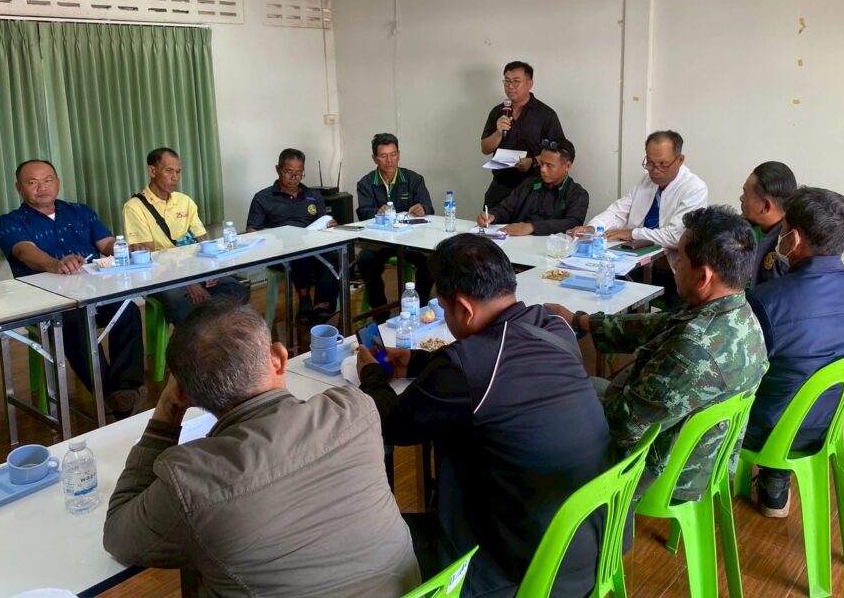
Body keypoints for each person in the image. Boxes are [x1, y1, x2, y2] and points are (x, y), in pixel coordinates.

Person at [104, 300, 420, 598]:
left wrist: (167, 411)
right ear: (279, 358)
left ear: (187, 395)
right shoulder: (355, 408)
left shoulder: (190, 480)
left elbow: (118, 536)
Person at [357, 234, 611, 597]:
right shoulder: (553, 327)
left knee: (367, 544)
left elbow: (392, 423)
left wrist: (370, 373)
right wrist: (416, 361)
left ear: (464, 308)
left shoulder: (465, 366)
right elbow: (502, 365)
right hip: (588, 544)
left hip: (515, 570)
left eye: (444, 309)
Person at [548, 206, 768, 505]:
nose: (674, 265)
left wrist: (558, 376)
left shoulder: (693, 352)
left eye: (680, 260)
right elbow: (657, 324)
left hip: (663, 470)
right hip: (694, 452)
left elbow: (623, 427)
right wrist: (579, 320)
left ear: (704, 276)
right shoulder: (737, 312)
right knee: (582, 389)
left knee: (545, 412)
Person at [744, 187, 844, 517]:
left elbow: (737, 375)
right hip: (826, 425)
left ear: (792, 239)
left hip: (765, 432)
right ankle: (775, 482)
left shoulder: (766, 302)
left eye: (783, 228)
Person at [0, 160, 146, 419]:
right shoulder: (10, 221)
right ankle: (107, 394)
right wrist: (54, 264)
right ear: (19, 188)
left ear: (58, 182)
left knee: (127, 310)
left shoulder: (80, 211)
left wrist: (127, 250)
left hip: (94, 291)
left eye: (48, 180)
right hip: (47, 302)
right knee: (75, 320)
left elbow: (106, 243)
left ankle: (126, 388)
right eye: (32, 182)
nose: (42, 187)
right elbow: (25, 251)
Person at [122, 147, 250, 326]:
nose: (175, 177)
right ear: (152, 171)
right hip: (162, 276)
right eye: (169, 171)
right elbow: (149, 258)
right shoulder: (134, 207)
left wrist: (212, 270)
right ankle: (198, 339)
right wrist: (189, 281)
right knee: (186, 305)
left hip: (195, 268)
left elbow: (202, 241)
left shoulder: (184, 201)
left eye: (178, 171)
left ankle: (213, 334)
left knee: (238, 290)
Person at [572, 130, 708, 261]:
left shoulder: (694, 188)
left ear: (680, 160)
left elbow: (675, 237)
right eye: (650, 163)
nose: (655, 171)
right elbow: (618, 212)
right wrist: (593, 228)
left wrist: (632, 233)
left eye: (663, 164)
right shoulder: (646, 181)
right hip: (634, 256)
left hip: (671, 267)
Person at [247, 148, 338, 324]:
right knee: (296, 246)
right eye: (289, 172)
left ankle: (322, 305)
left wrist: (330, 224)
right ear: (278, 169)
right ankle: (304, 300)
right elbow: (252, 231)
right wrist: (267, 239)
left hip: (313, 247)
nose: (295, 177)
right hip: (279, 252)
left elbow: (323, 221)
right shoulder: (263, 197)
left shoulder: (313, 195)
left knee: (334, 254)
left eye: (299, 172)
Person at [355, 133, 434, 318]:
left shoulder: (413, 179)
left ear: (399, 154)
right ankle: (380, 310)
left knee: (432, 260)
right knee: (365, 262)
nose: (389, 160)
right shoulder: (366, 183)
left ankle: (420, 305)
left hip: (411, 240)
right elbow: (363, 212)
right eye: (383, 156)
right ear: (374, 158)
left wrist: (423, 208)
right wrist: (377, 212)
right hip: (380, 241)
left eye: (393, 154)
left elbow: (429, 207)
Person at [480, 61, 565, 208]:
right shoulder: (498, 111)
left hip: (534, 187)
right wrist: (498, 132)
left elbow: (559, 152)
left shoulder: (545, 114)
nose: (510, 86)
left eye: (516, 81)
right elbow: (485, 148)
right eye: (507, 81)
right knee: (489, 222)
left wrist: (532, 162)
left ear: (530, 83)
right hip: (501, 186)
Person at [475, 138, 588, 236]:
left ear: (567, 166)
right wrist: (492, 216)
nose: (543, 169)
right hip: (517, 244)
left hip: (551, 249)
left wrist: (532, 227)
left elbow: (573, 223)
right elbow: (506, 208)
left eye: (549, 165)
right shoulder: (529, 184)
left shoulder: (577, 194)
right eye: (541, 163)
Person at [739, 161, 797, 287]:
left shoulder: (786, 251)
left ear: (765, 206)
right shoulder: (741, 226)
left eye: (745, 194)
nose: (741, 198)